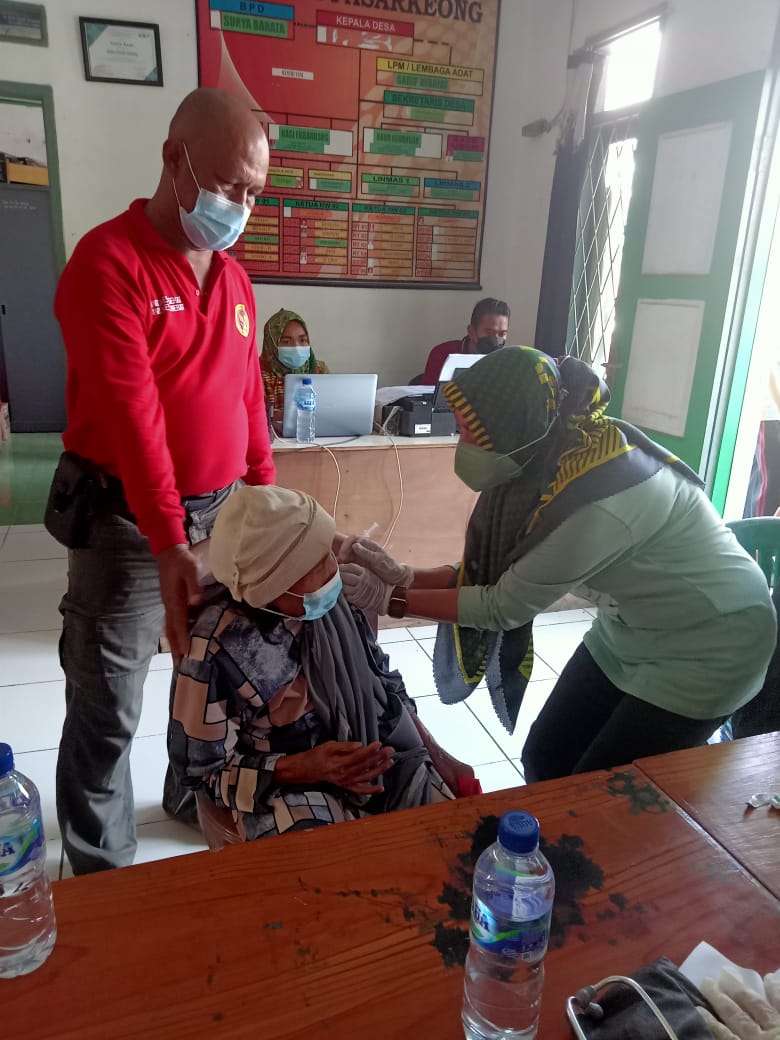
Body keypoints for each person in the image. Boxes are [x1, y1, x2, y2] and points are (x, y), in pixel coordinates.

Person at [339, 346, 776, 781]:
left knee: (601, 792)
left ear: (517, 425)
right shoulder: (543, 461)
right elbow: (498, 572)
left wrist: (392, 600)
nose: (462, 444)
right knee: (546, 756)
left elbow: (501, 605)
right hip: (631, 629)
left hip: (713, 642)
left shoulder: (595, 498)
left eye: (474, 433)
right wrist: (407, 576)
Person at [50, 88, 276, 874]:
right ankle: (100, 870)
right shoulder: (106, 264)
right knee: (107, 703)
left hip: (221, 515)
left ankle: (190, 794)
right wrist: (172, 542)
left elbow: (249, 396)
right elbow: (134, 418)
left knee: (210, 673)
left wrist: (266, 497)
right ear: (174, 158)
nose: (239, 205)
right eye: (228, 185)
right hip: (126, 524)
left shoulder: (236, 281)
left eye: (252, 192)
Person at [168, 485, 475, 845]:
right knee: (329, 876)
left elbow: (384, 681)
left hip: (374, 749)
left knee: (456, 842)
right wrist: (306, 768)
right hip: (289, 783)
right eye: (314, 566)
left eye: (326, 554)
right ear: (272, 589)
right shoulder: (217, 652)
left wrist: (433, 752)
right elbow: (203, 773)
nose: (334, 570)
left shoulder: (339, 600)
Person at [260, 307, 330, 428]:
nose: (296, 347)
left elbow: (333, 406)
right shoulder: (256, 373)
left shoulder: (318, 370)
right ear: (271, 344)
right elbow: (251, 416)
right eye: (286, 342)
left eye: (303, 340)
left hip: (318, 440)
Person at [421, 297, 510, 385]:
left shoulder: (508, 361)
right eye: (489, 332)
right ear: (471, 331)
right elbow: (430, 395)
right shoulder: (442, 354)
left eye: (502, 334)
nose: (496, 339)